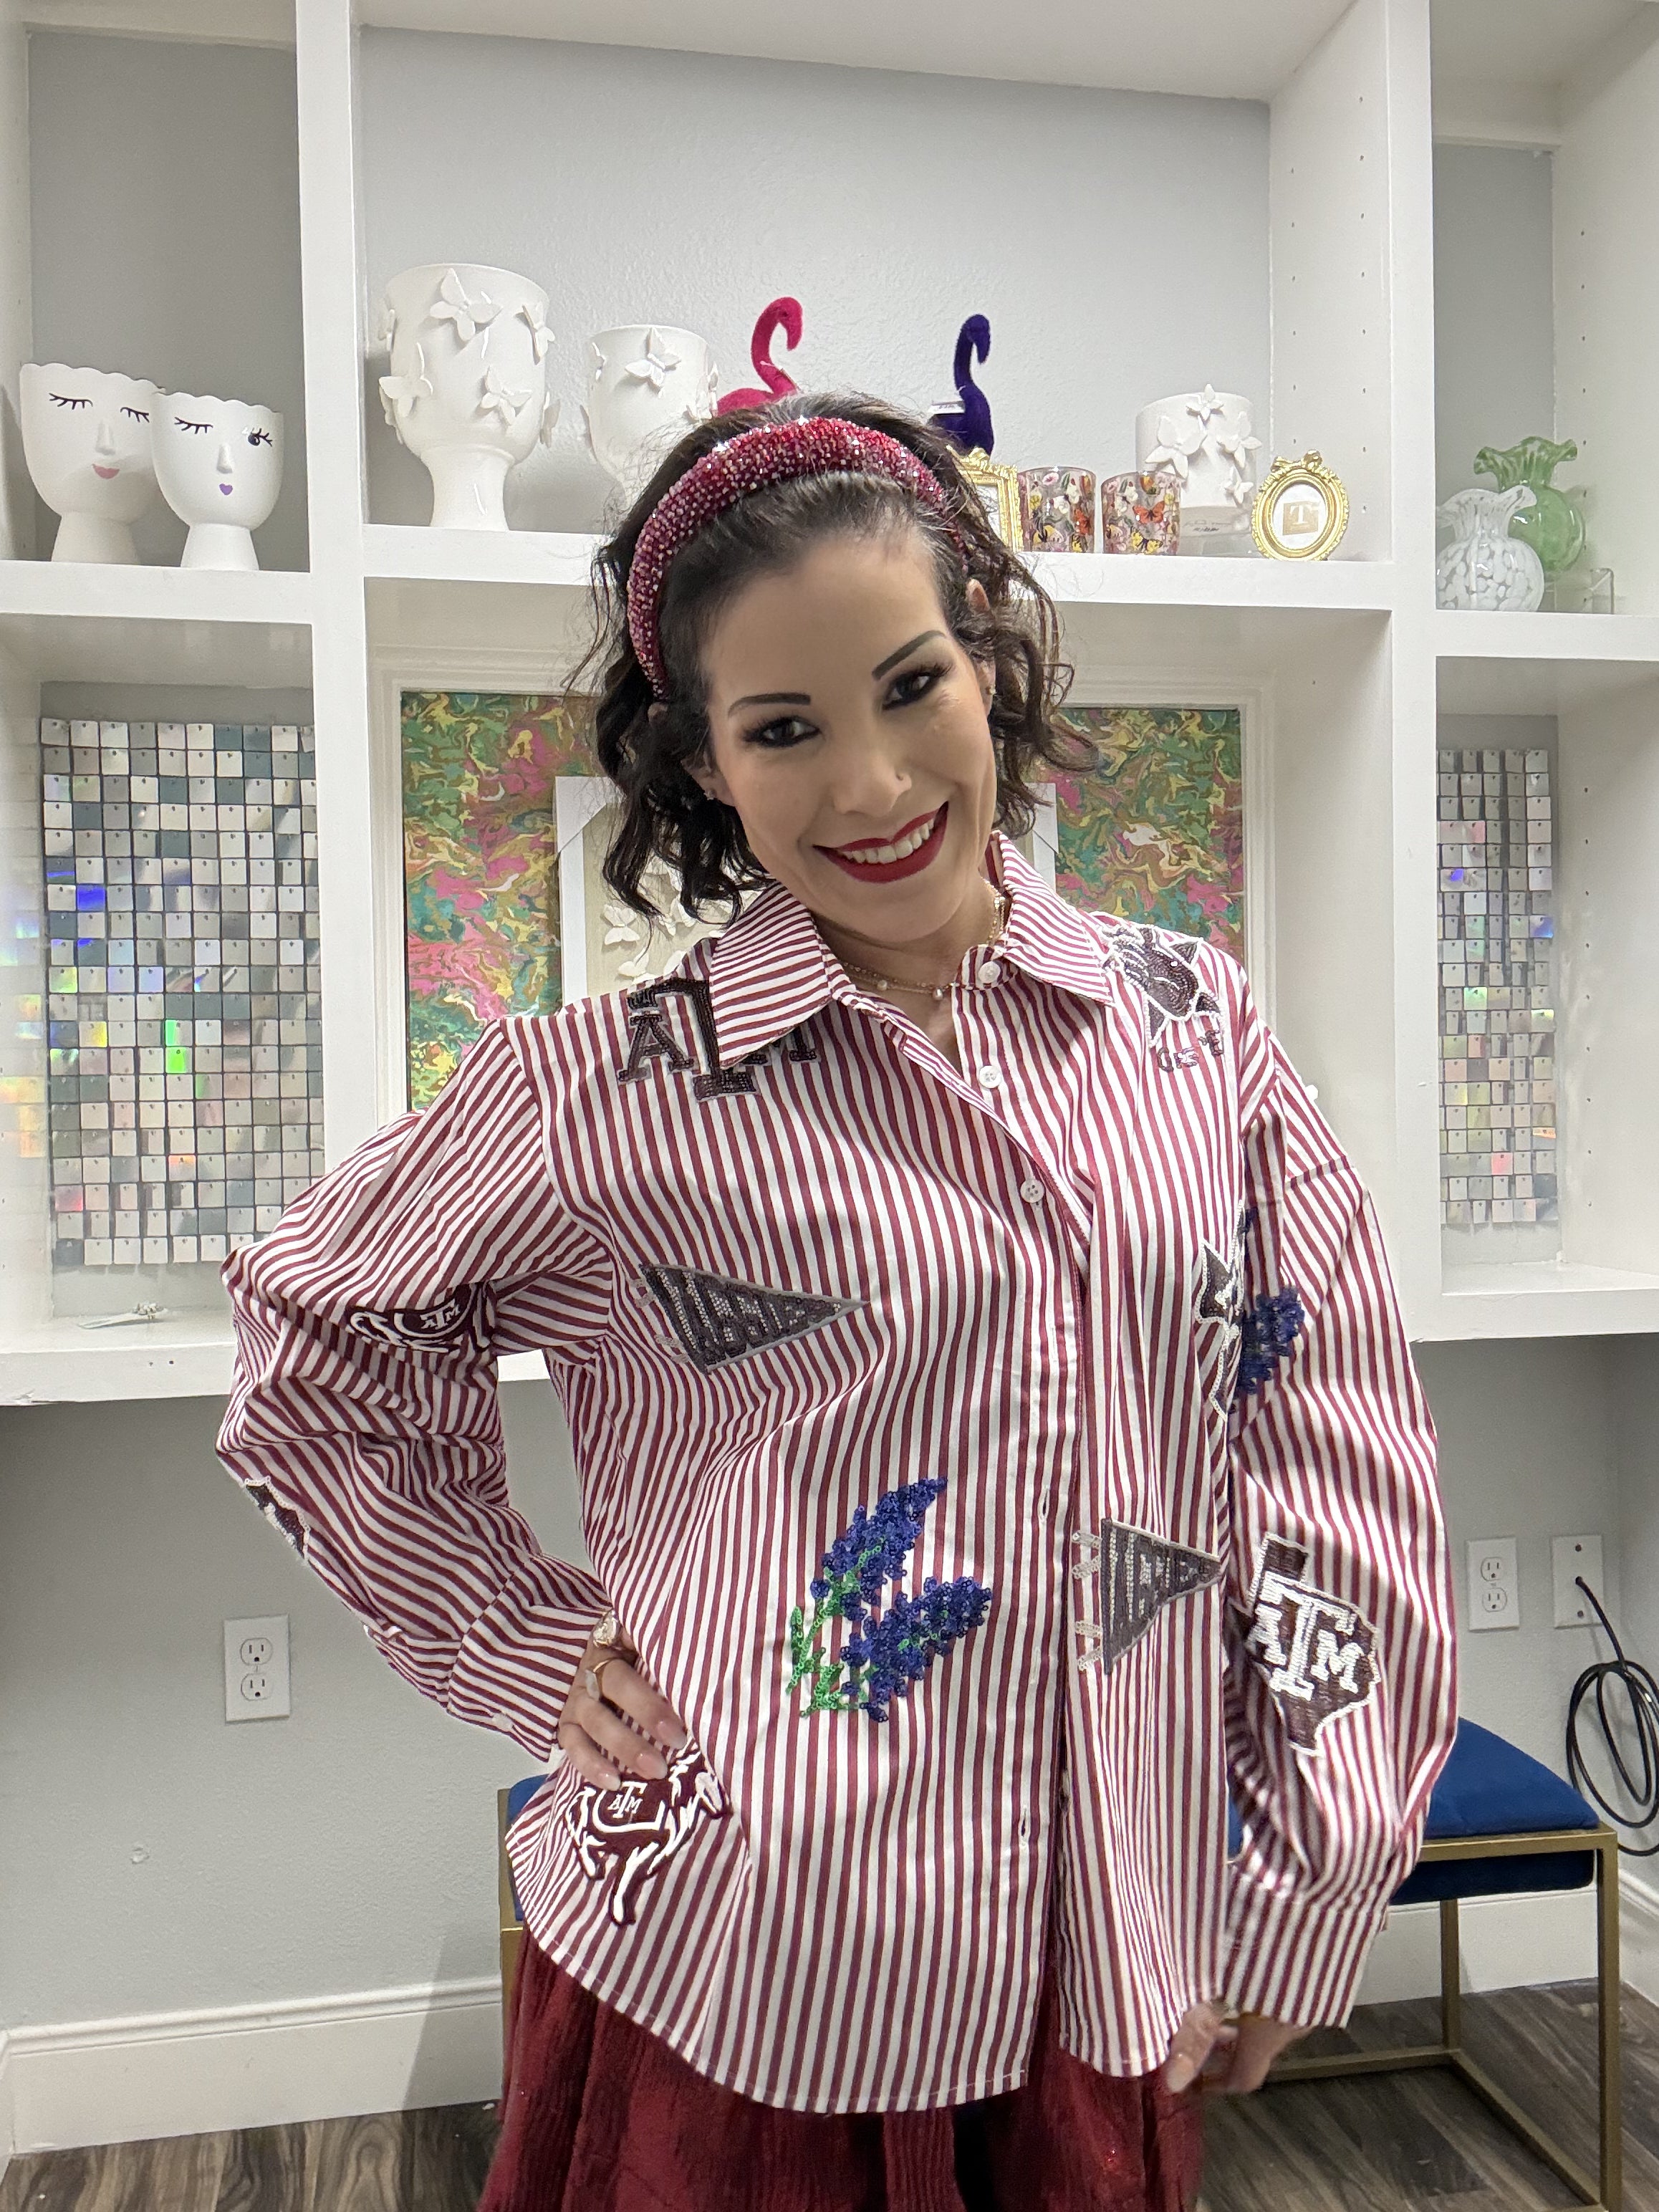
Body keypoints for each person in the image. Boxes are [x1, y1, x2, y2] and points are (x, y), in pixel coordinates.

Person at [216, 395, 1458, 2211]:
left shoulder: (1196, 1031)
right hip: (749, 1968)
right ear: (706, 761)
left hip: (1098, 1950)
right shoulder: (608, 1091)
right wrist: (519, 1633)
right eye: (785, 727)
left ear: (986, 660)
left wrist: (1308, 1874)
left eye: (909, 685)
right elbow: (315, 1334)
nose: (870, 785)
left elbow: (1333, 1463)